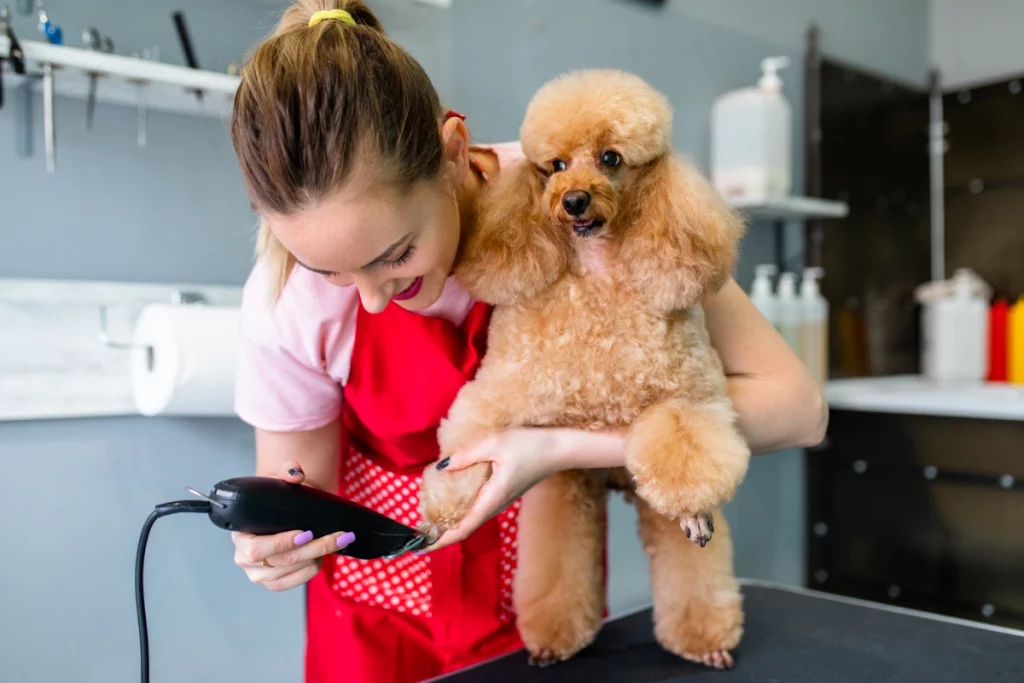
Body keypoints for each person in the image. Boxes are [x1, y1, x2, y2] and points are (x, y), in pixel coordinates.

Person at [226, 2, 829, 682]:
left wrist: (554, 448)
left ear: (454, 152)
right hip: (374, 631)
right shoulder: (286, 303)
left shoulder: (576, 192)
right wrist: (274, 544)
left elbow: (799, 407)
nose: (368, 297)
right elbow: (303, 495)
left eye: (395, 253)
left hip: (536, 630)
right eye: (328, 268)